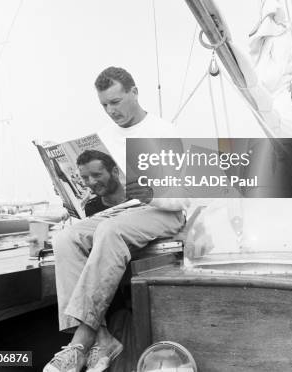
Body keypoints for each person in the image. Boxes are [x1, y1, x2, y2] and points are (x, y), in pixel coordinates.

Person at [44, 66, 189, 372]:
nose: (111, 110)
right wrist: (74, 196)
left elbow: (182, 198)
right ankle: (103, 337)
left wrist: (151, 194)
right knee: (65, 238)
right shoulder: (105, 138)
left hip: (160, 212)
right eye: (104, 105)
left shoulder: (163, 132)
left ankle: (80, 343)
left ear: (134, 92)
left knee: (110, 231)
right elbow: (102, 196)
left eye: (116, 101)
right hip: (119, 214)